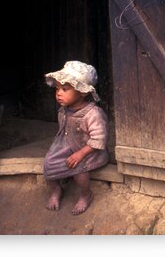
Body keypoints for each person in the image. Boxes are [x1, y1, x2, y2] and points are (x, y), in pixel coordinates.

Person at [43, 60, 108, 215]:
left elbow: (99, 139)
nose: (59, 93)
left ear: (83, 91)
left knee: (78, 170)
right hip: (67, 146)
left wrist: (80, 154)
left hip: (88, 151)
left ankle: (86, 195)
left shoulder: (93, 114)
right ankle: (56, 190)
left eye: (65, 89)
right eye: (57, 88)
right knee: (48, 163)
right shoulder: (64, 110)